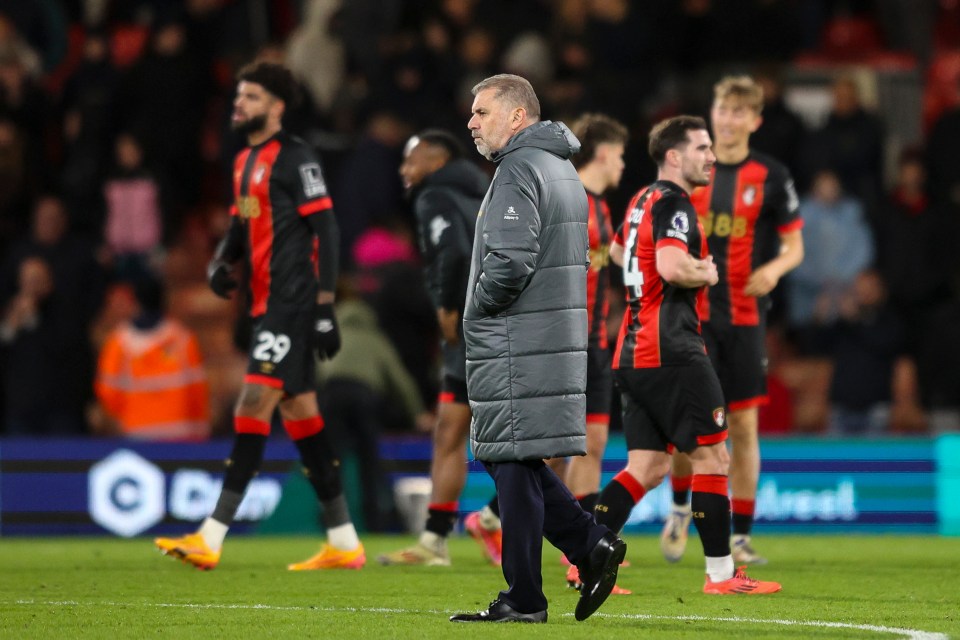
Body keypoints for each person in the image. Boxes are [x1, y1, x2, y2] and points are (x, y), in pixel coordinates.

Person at [154, 62, 364, 571]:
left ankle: (211, 534)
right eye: (238, 96)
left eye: (249, 97)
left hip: (293, 304)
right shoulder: (244, 160)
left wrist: (323, 307)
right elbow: (240, 218)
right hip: (267, 304)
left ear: (276, 107)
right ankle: (343, 540)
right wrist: (222, 259)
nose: (238, 105)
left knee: (252, 404)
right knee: (300, 416)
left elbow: (328, 232)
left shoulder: (297, 159)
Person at [450, 74, 625, 624]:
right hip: (547, 337)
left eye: (482, 111)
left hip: (514, 339)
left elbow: (510, 262)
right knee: (517, 459)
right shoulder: (561, 168)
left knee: (506, 458)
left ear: (517, 116)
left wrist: (477, 307)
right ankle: (591, 545)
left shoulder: (518, 169)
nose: (472, 122)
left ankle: (525, 597)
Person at [596, 114, 781, 595]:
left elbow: (619, 255)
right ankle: (720, 576)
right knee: (714, 458)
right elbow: (674, 267)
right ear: (674, 156)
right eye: (702, 148)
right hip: (671, 350)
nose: (712, 156)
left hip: (632, 351)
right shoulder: (675, 203)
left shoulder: (641, 199)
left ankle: (584, 560)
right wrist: (707, 272)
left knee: (647, 468)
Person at [662, 76, 804, 566]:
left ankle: (740, 533)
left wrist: (775, 268)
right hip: (689, 317)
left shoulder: (771, 175)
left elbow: (795, 246)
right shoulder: (688, 168)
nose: (730, 119)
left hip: (744, 319)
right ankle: (680, 507)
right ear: (713, 112)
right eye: (724, 109)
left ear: (755, 120)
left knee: (743, 427)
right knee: (687, 425)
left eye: (741, 112)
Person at [378, 129, 503, 567]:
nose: (404, 171)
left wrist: (448, 306)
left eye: (410, 161)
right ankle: (438, 538)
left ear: (434, 161)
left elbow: (452, 251)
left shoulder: (435, 196)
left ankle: (488, 520)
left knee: (477, 434)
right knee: (458, 429)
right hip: (499, 322)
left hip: (471, 327)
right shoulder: (486, 192)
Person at [558, 113, 631, 593]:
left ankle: (581, 553)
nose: (623, 164)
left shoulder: (601, 208)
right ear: (603, 153)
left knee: (595, 445)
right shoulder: (570, 200)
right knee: (554, 448)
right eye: (621, 155)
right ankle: (499, 517)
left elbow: (616, 260)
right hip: (567, 339)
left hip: (595, 344)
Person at [94, 274, 210, 441]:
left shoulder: (118, 342)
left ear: (135, 301)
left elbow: (108, 394)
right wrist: (201, 430)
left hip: (137, 433)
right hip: (179, 435)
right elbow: (198, 392)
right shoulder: (183, 338)